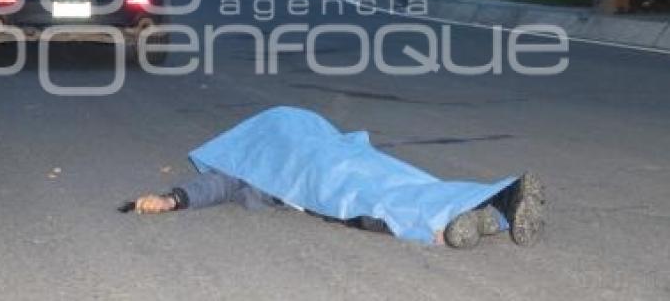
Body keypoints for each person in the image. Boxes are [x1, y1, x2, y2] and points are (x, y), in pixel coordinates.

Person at [123, 107, 545, 250]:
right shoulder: (251, 155)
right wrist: (174, 198)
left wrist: (173, 199)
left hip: (331, 166)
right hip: (336, 167)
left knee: (381, 196)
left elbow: (217, 183)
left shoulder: (260, 146)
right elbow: (216, 183)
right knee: (392, 187)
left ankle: (459, 220)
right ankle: (491, 208)